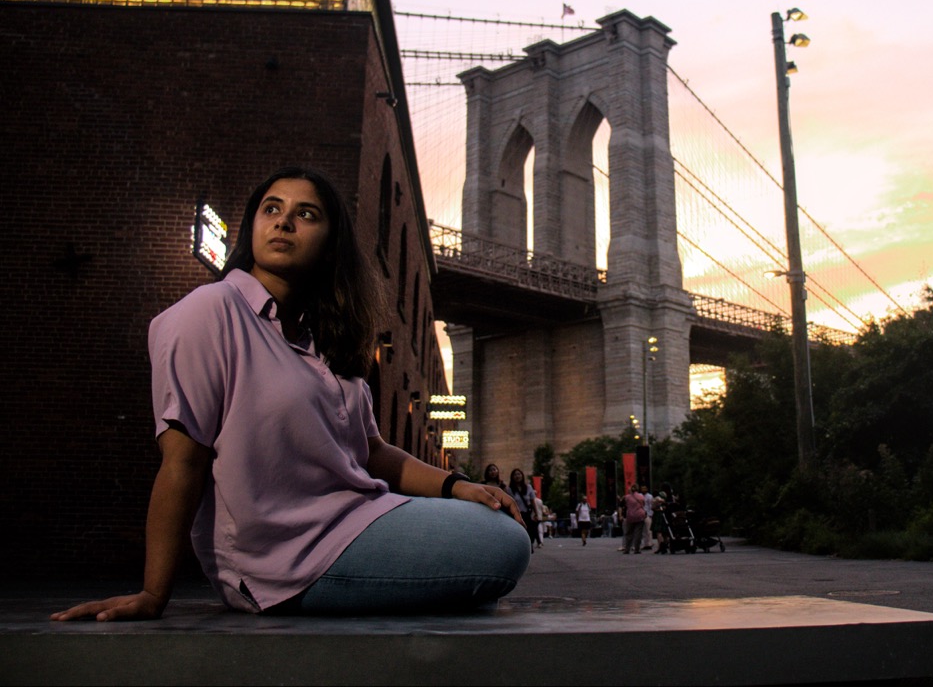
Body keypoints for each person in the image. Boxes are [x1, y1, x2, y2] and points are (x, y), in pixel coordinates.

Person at [51, 166, 529, 621]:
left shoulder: (322, 338)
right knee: (503, 545)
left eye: (306, 213)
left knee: (493, 526)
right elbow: (182, 463)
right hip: (282, 559)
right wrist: (154, 593)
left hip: (358, 516)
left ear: (330, 244)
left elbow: (371, 451)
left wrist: (457, 485)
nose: (283, 221)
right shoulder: (209, 312)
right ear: (252, 227)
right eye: (271, 208)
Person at [508, 469, 538, 554]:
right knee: (518, 532)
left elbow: (532, 501)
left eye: (519, 474)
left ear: (522, 476)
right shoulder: (510, 489)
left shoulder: (528, 487)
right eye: (515, 475)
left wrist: (536, 513)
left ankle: (529, 546)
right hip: (516, 514)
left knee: (529, 531)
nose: (517, 476)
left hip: (526, 513)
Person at [620, 486, 646, 554]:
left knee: (629, 533)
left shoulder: (627, 497)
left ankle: (627, 549)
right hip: (640, 515)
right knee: (638, 533)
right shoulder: (641, 496)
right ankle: (637, 549)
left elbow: (623, 504)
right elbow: (643, 504)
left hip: (630, 515)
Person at [641, 485, 655, 551]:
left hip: (648, 514)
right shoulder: (640, 495)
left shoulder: (649, 496)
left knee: (648, 530)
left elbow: (650, 505)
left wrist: (650, 514)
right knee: (644, 530)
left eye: (644, 488)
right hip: (641, 514)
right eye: (642, 488)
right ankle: (645, 543)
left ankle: (649, 543)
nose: (643, 489)